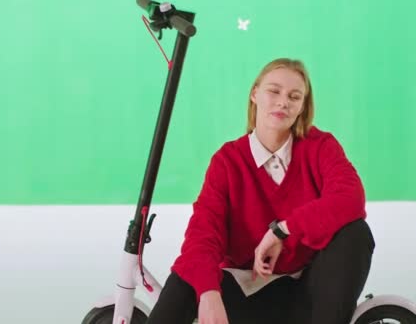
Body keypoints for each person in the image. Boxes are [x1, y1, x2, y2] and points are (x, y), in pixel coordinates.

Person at [146, 58, 376, 324]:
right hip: (241, 293)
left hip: (306, 296)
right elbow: (203, 234)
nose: (283, 102)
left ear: (302, 106)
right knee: (190, 270)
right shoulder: (228, 161)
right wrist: (208, 295)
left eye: (294, 96)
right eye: (274, 91)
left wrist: (282, 230)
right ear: (255, 94)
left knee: (355, 232)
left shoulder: (320, 146)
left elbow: (351, 199)